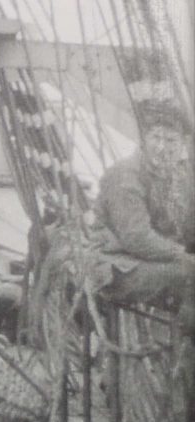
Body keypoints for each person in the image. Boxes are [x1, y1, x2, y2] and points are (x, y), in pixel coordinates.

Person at [89, 99, 195, 329]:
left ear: (182, 144)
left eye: (171, 140)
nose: (162, 147)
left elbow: (188, 226)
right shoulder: (125, 175)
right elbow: (136, 237)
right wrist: (183, 254)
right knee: (191, 274)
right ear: (144, 139)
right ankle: (184, 346)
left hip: (148, 260)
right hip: (115, 264)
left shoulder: (177, 176)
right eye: (156, 138)